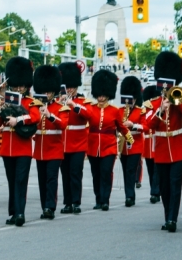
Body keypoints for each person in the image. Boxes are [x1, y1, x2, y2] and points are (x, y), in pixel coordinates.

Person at [145, 52, 182, 233]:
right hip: (162, 150)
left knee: (175, 185)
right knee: (165, 187)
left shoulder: (180, 98)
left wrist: (176, 99)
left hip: (178, 148)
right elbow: (148, 125)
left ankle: (172, 219)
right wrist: (160, 109)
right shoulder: (153, 103)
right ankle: (167, 216)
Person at [0, 57, 40, 227]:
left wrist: (18, 119)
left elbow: (35, 117)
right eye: (16, 85)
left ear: (27, 85)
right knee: (12, 181)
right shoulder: (5, 102)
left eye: (22, 85)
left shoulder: (30, 102)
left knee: (21, 181)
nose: (19, 88)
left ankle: (20, 212)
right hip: (7, 148)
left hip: (23, 148)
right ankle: (13, 212)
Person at [87, 69, 131, 211]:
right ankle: (98, 199)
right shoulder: (91, 109)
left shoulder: (115, 110)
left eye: (103, 95)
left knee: (106, 173)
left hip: (109, 147)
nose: (100, 97)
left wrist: (130, 138)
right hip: (93, 146)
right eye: (99, 95)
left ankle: (105, 200)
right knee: (96, 174)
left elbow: (121, 127)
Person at [32, 65, 69, 220]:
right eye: (44, 91)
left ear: (53, 91)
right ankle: (44, 206)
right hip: (40, 148)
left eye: (48, 91)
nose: (46, 94)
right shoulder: (36, 106)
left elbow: (63, 124)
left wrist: (49, 115)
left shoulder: (61, 107)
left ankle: (50, 207)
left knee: (51, 179)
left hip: (54, 149)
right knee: (42, 180)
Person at [58, 62, 93, 215]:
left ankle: (76, 202)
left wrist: (73, 104)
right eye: (68, 86)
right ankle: (67, 202)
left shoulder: (82, 101)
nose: (70, 89)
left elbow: (89, 115)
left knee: (75, 173)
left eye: (72, 86)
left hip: (78, 144)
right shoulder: (59, 101)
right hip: (63, 143)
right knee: (65, 174)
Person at [119, 76, 145, 208]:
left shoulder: (141, 111)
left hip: (135, 144)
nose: (130, 102)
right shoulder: (120, 111)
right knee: (125, 171)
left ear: (135, 98)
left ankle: (130, 196)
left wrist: (133, 124)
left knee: (130, 170)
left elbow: (144, 126)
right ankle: (128, 195)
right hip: (123, 145)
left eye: (132, 99)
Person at [141, 85, 160, 204]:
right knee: (151, 170)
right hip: (148, 143)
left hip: (158, 142)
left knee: (157, 171)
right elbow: (146, 124)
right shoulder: (147, 110)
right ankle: (155, 190)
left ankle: (155, 192)